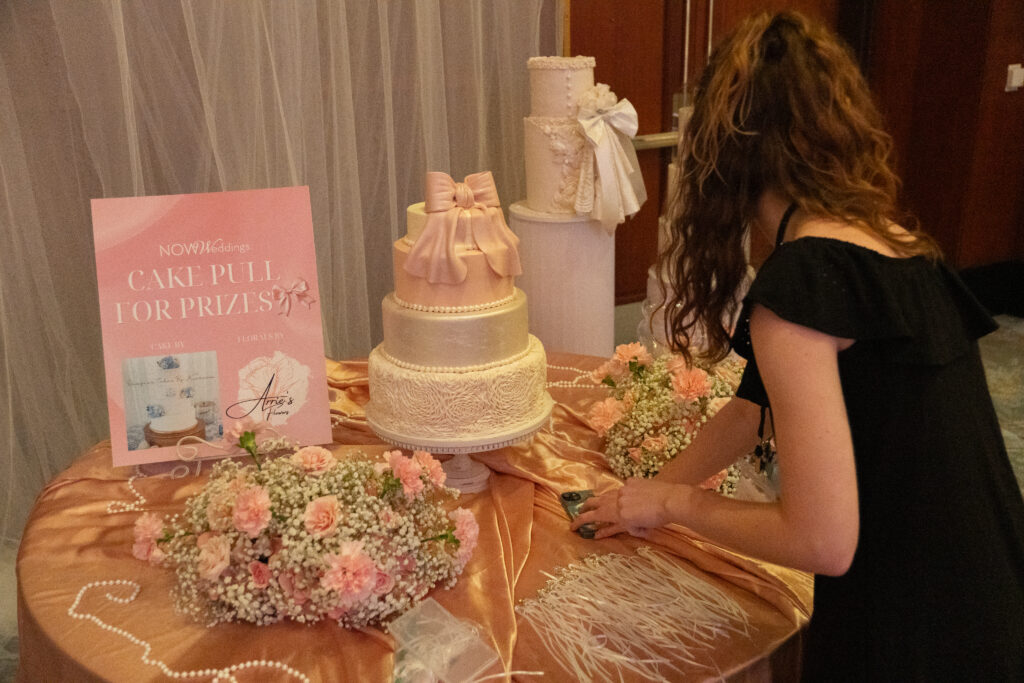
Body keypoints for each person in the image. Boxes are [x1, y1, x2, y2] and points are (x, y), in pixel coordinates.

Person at [572, 11, 1024, 681]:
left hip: (922, 627)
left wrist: (678, 505)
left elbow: (822, 540)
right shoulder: (892, 247)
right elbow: (748, 410)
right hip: (992, 588)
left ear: (729, 154)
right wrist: (650, 490)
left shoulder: (802, 279)